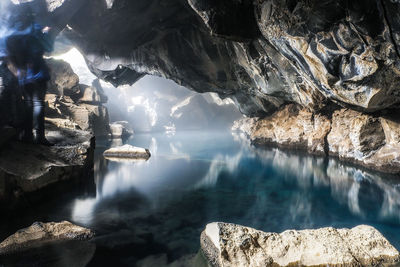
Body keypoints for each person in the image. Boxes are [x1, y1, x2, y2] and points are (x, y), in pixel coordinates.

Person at [5, 4, 54, 145]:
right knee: (38, 104)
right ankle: (40, 137)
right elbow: (48, 47)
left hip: (23, 75)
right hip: (38, 72)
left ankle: (27, 135)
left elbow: (8, 49)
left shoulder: (14, 30)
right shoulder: (36, 28)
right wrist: (47, 33)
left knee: (28, 104)